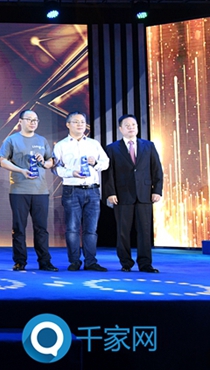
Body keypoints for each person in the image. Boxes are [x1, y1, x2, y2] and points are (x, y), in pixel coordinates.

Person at [0, 109, 57, 272]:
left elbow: (50, 161)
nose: (33, 122)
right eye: (29, 119)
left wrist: (43, 162)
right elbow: (2, 161)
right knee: (19, 228)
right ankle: (20, 261)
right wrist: (21, 170)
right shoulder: (12, 140)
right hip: (19, 190)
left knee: (41, 229)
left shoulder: (42, 140)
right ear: (20, 121)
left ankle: (45, 261)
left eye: (35, 120)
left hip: (40, 191)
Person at [103, 114, 163, 273]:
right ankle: (126, 263)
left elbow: (157, 169)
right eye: (127, 125)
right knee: (123, 231)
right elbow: (108, 173)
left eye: (133, 125)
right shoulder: (112, 148)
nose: (131, 128)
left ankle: (145, 264)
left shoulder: (148, 146)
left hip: (145, 194)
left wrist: (157, 190)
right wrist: (110, 193)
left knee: (145, 230)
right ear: (120, 128)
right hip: (122, 195)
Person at [53, 112, 109, 272]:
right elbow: (56, 168)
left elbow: (106, 162)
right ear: (68, 124)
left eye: (83, 122)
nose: (80, 125)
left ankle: (91, 261)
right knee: (72, 228)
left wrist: (95, 163)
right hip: (72, 190)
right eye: (76, 122)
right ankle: (74, 261)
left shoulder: (93, 144)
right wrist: (71, 172)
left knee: (91, 229)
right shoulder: (61, 145)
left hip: (92, 190)